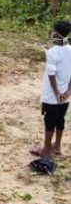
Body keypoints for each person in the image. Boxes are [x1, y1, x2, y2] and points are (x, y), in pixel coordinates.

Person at [30, 20, 71, 157]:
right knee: (60, 119)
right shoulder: (70, 50)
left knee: (49, 121)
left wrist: (57, 93)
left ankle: (46, 149)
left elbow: (51, 75)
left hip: (52, 96)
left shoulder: (52, 53)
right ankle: (57, 146)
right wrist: (67, 92)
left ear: (57, 34)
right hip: (65, 96)